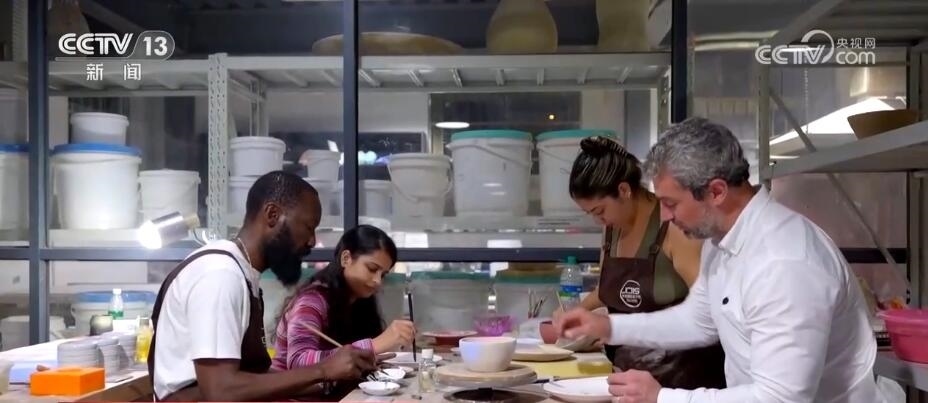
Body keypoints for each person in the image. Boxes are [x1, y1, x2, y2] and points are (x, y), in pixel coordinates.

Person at [555, 117, 883, 403]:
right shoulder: (720, 242)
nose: (664, 217)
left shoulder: (784, 263)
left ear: (716, 191)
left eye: (671, 203)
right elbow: (697, 321)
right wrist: (609, 327)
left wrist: (662, 397)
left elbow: (780, 397)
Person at [148, 171, 376, 402]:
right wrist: (323, 370)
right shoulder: (220, 275)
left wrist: (335, 381)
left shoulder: (242, 273)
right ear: (272, 215)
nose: (311, 241)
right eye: (308, 227)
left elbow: (254, 378)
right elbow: (220, 392)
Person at [559, 136, 725, 390]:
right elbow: (610, 289)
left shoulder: (673, 226)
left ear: (624, 191)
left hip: (683, 381)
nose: (598, 221)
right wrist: (577, 315)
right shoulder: (611, 230)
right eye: (590, 213)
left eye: (600, 211)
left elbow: (710, 311)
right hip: (629, 377)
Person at [272, 225, 413, 399]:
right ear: (346, 258)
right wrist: (374, 345)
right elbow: (298, 362)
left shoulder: (359, 301)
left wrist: (369, 361)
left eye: (383, 274)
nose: (377, 281)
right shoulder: (312, 301)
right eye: (371, 269)